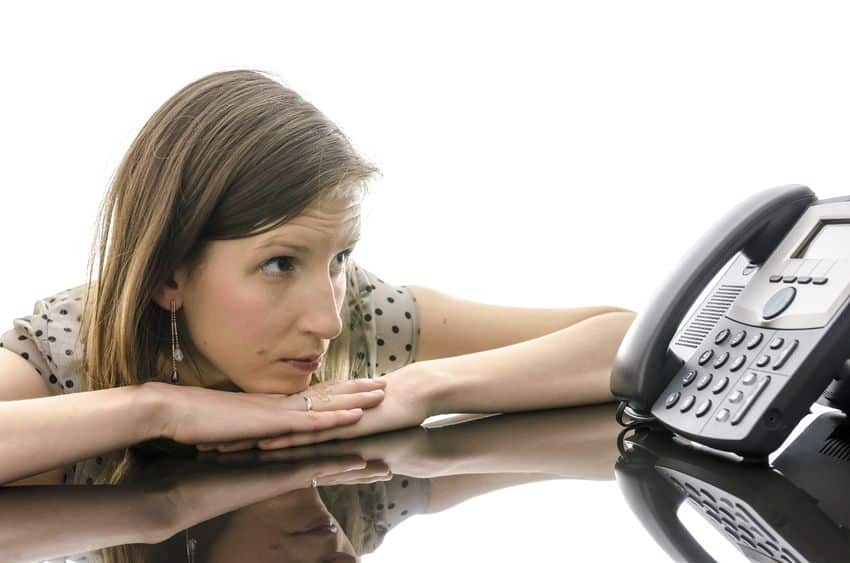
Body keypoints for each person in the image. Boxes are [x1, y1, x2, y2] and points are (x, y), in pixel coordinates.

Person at [0, 68, 636, 488]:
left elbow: (629, 341)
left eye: (338, 260)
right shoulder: (68, 351)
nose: (327, 320)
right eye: (280, 264)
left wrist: (421, 389)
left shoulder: (359, 314)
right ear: (170, 277)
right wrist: (158, 409)